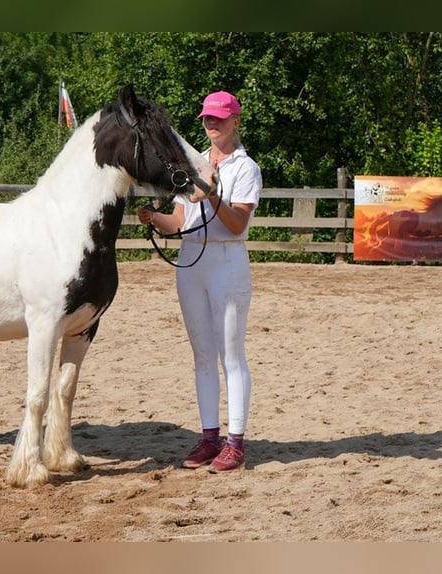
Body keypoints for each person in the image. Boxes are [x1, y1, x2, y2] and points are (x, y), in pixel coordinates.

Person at [137, 90, 262, 472]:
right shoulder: (193, 163)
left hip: (226, 260)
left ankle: (236, 442)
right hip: (191, 259)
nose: (211, 124)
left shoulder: (245, 168)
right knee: (203, 356)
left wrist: (209, 195)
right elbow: (178, 221)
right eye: (207, 118)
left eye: (219, 118)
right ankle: (210, 438)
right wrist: (152, 218)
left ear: (235, 121)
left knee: (231, 355)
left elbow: (238, 223)